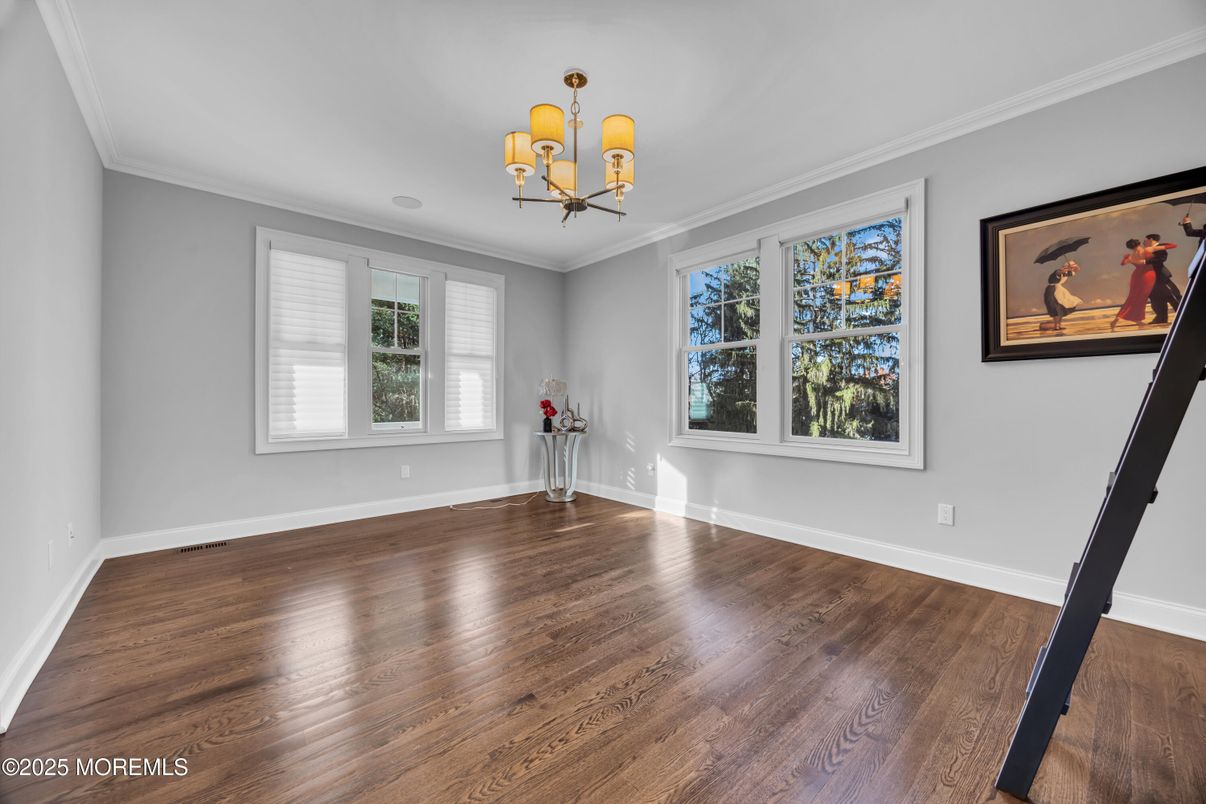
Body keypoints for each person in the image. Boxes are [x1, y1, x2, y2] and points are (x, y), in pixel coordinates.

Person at [1112, 239, 1161, 331]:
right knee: (1140, 299)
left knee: (1133, 298)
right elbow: (1171, 246)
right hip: (1147, 276)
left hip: (1137, 276)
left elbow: (1122, 264)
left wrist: (1126, 258)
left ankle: (1122, 319)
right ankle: (1138, 321)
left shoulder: (1131, 256)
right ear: (1138, 244)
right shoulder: (1146, 251)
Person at [1142, 233, 1182, 324]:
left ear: (1151, 239)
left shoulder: (1160, 247)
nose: (1144, 241)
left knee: (1173, 296)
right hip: (1151, 279)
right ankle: (1161, 318)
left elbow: (1161, 259)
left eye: (1145, 240)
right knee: (1155, 299)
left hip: (1161, 277)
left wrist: (1145, 261)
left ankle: (1184, 316)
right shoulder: (1147, 250)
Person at [1040, 260, 1082, 331]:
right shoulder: (1059, 271)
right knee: (1055, 309)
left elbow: (1077, 270)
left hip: (1059, 291)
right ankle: (1056, 326)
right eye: (1069, 267)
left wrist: (1074, 266)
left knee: (1061, 309)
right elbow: (1059, 272)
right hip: (1052, 291)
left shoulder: (1066, 273)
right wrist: (1068, 268)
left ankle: (1058, 325)